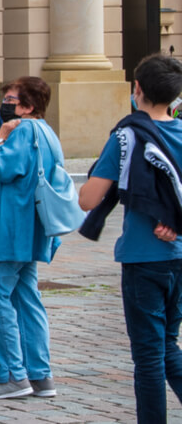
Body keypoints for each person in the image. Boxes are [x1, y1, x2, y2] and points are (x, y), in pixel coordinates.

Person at [79, 54, 182, 423]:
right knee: (167, 343)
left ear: (136, 89)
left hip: (142, 256)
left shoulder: (127, 136)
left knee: (149, 355)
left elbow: (88, 199)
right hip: (178, 257)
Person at [0, 76, 61, 400]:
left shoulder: (22, 132)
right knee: (27, 301)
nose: (5, 104)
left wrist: (2, 138)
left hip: (6, 233)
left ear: (28, 106)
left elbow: (1, 170)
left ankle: (11, 375)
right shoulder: (47, 131)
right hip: (27, 233)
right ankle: (40, 375)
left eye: (12, 100)